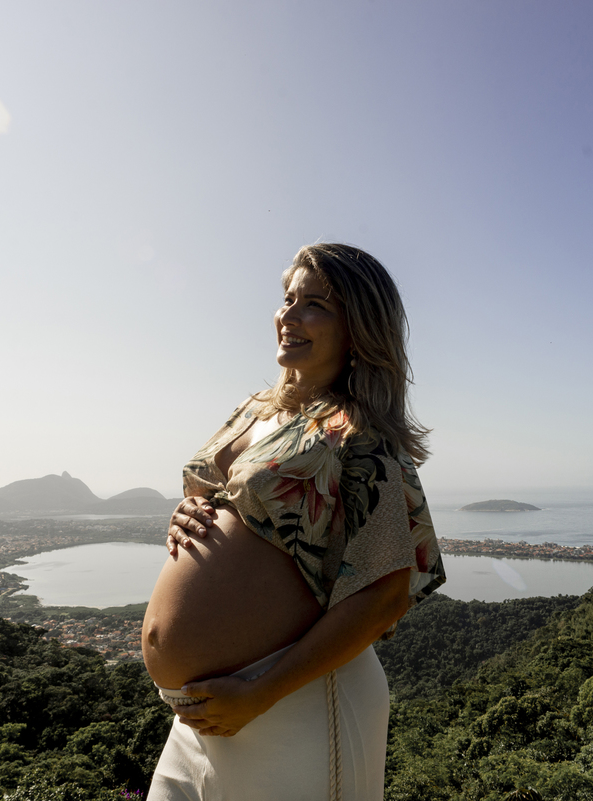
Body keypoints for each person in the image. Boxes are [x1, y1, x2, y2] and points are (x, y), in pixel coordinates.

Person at [142, 243, 445, 801]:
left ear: (358, 327)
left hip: (294, 702)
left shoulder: (357, 434)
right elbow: (229, 504)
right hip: (204, 714)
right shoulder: (256, 408)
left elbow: (384, 595)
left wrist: (262, 691)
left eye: (315, 305)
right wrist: (183, 512)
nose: (289, 314)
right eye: (288, 299)